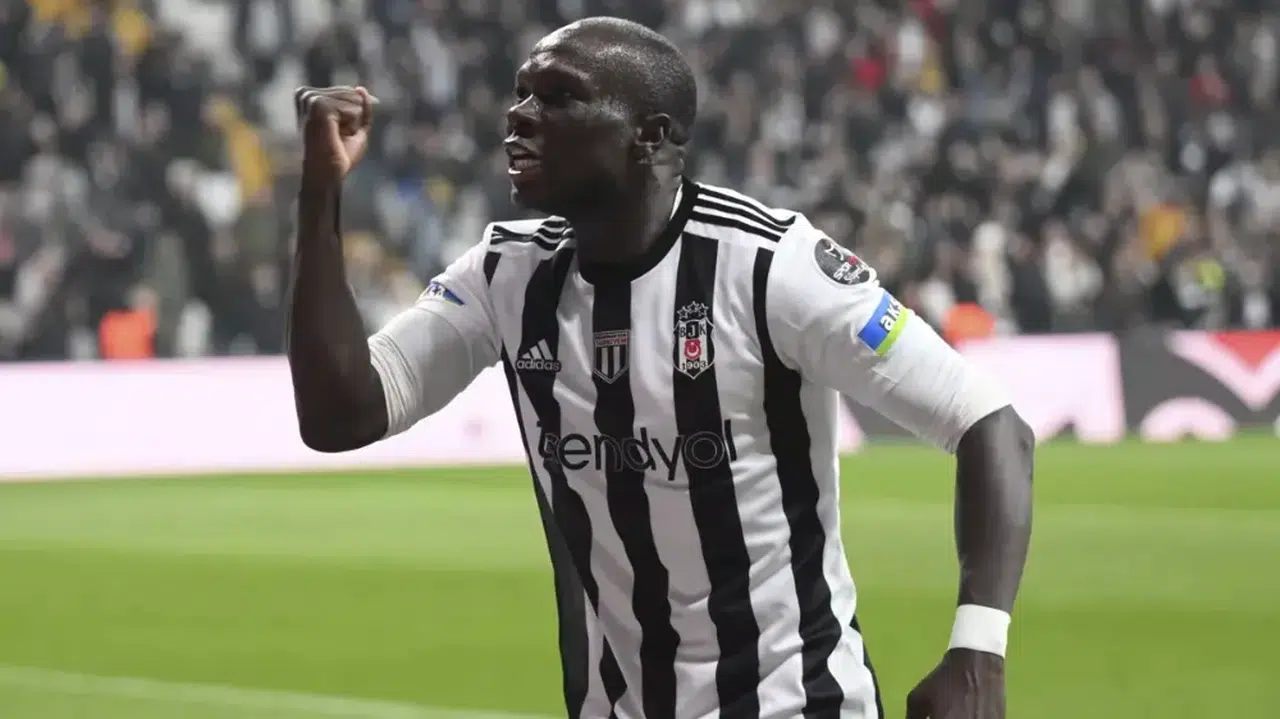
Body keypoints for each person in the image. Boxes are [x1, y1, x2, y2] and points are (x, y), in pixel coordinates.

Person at [287, 17, 1035, 719]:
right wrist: (321, 190)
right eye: (521, 93)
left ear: (650, 137)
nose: (518, 116)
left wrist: (978, 650)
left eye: (558, 97)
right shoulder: (505, 275)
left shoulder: (768, 267)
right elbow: (341, 414)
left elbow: (988, 422)